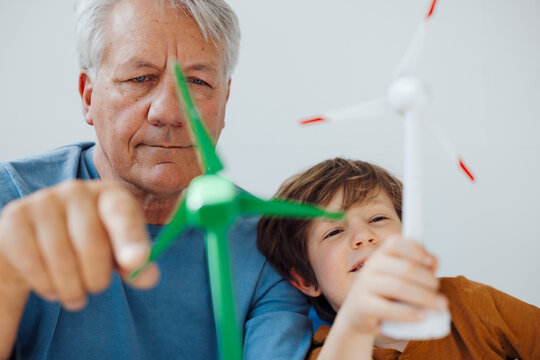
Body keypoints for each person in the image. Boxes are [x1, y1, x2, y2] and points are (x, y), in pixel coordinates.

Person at [0, 0, 312, 359]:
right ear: (88, 96)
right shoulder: (11, 202)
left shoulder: (270, 243)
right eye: (140, 78)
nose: (169, 112)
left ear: (225, 100)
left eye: (197, 81)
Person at [257, 157, 540, 360]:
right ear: (305, 279)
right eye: (334, 232)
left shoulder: (471, 302)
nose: (364, 236)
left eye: (378, 218)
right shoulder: (328, 349)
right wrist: (357, 320)